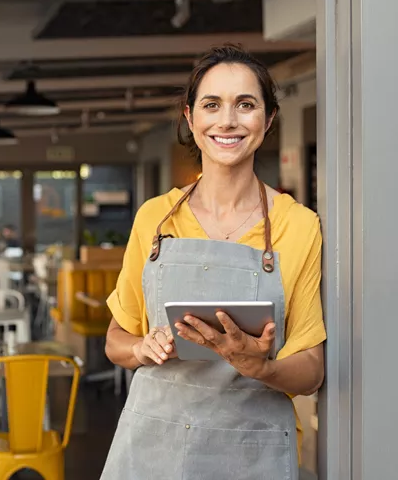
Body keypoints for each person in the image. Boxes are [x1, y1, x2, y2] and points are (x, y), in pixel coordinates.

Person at [101, 45, 326, 480]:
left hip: (250, 451)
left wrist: (261, 366)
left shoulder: (297, 226)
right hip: (154, 446)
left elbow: (311, 371)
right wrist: (140, 348)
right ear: (190, 118)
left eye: (246, 105)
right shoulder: (155, 217)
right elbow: (116, 338)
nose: (227, 121)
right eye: (211, 105)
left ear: (269, 119)